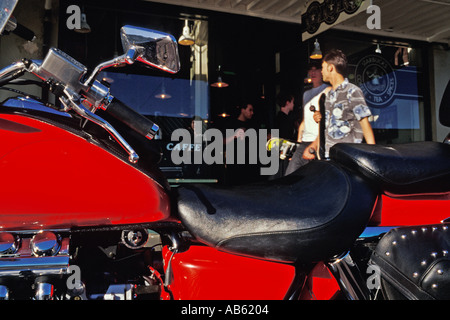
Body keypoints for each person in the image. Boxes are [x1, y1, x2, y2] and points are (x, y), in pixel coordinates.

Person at [303, 49, 375, 161]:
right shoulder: (329, 95)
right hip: (329, 158)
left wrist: (373, 157)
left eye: (322, 67)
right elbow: (328, 128)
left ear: (330, 68)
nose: (321, 71)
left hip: (348, 158)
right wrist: (313, 145)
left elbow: (365, 125)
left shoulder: (352, 91)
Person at [285, 61, 330, 176]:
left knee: (314, 178)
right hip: (305, 141)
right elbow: (304, 121)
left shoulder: (328, 90)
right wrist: (298, 143)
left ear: (322, 71)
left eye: (316, 69)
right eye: (311, 70)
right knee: (290, 176)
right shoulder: (306, 94)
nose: (313, 72)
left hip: (319, 141)